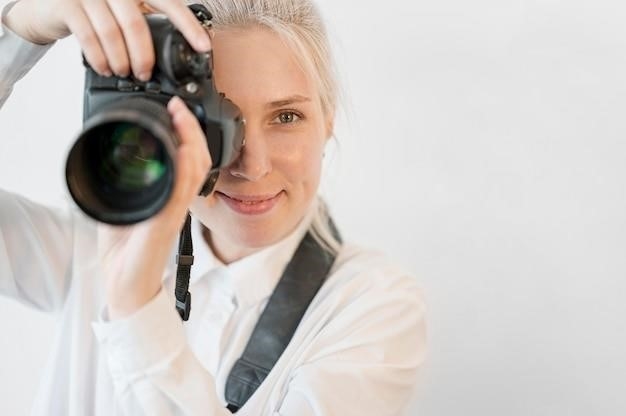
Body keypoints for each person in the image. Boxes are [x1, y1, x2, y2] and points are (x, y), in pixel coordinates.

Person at [0, 0, 427, 414]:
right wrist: (19, 30)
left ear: (327, 119)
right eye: (219, 119)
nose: (253, 166)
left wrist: (136, 306)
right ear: (169, 120)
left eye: (286, 117)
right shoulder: (93, 243)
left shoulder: (372, 305)